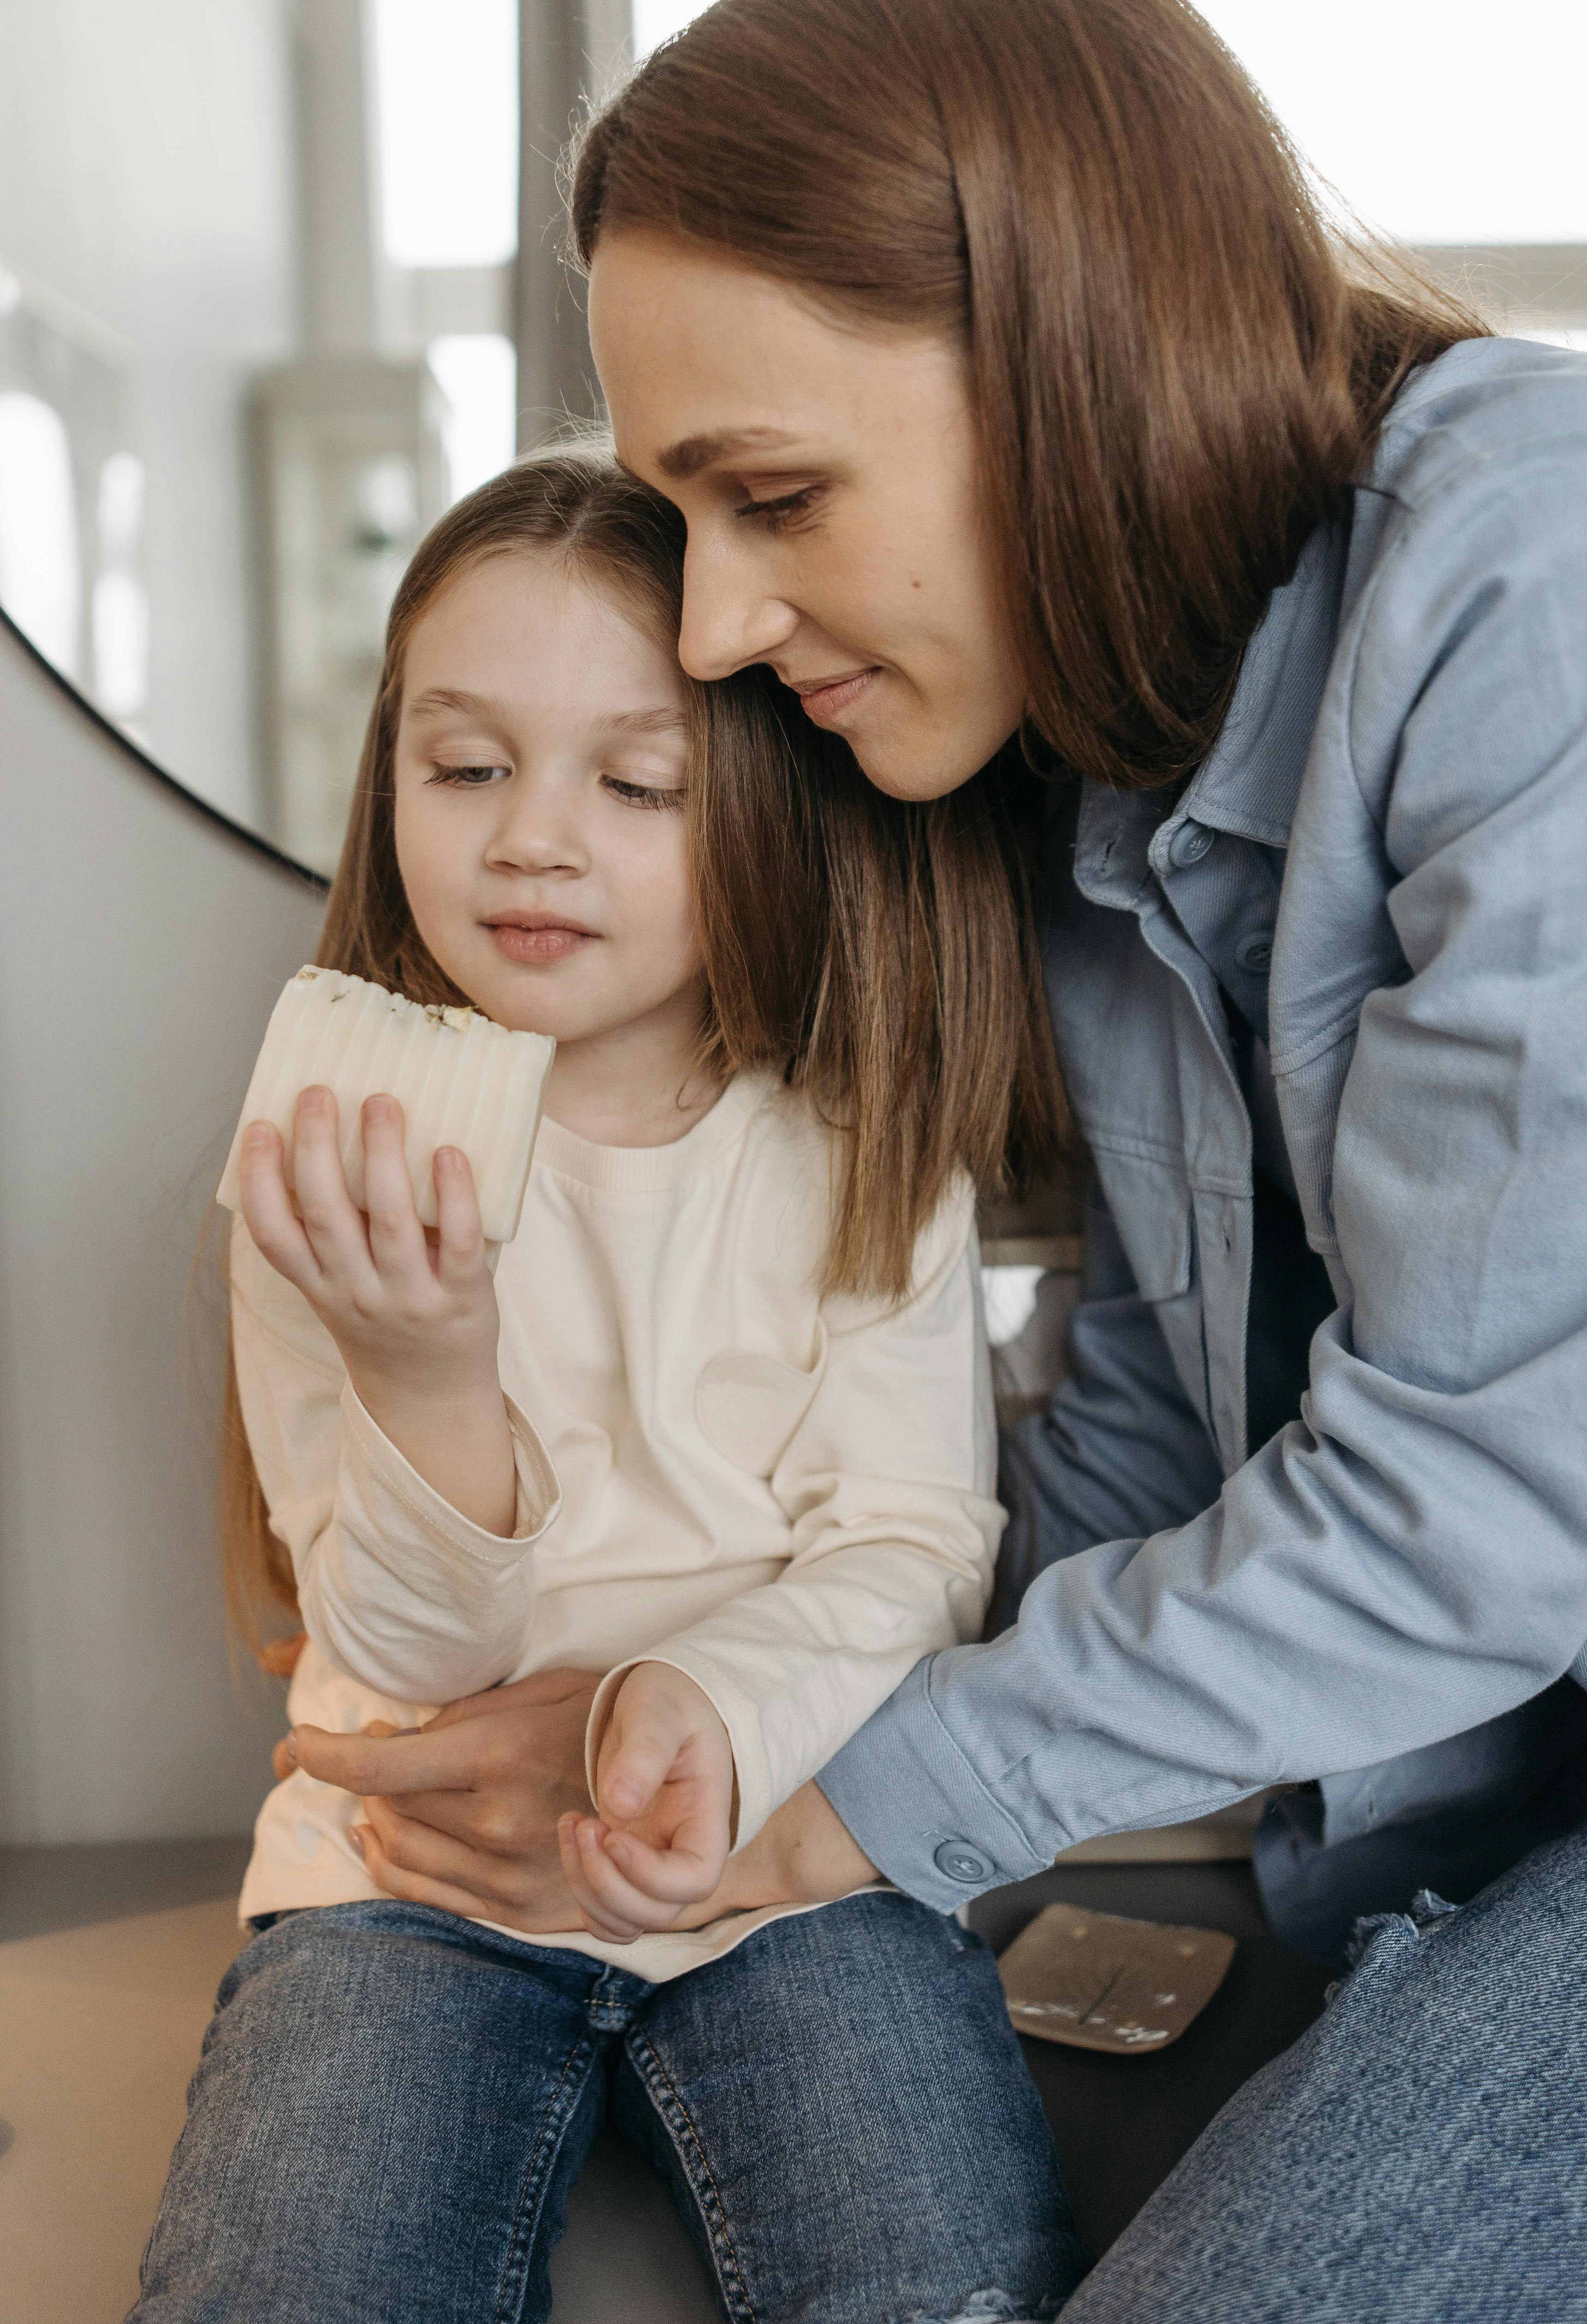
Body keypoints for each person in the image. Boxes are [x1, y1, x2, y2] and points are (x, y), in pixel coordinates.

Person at [300, 0, 1587, 2318]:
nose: (707, 628)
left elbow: (1469, 1505)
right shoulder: (1076, 812)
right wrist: (696, 1715)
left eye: (772, 499)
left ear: (1070, 364)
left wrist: (849, 1804)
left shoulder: (1550, 567)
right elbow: (1143, 1430)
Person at [131, 448, 1086, 2321]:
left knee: (940, 2281)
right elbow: (401, 1654)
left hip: (792, 1859)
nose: (531, 839)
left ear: (769, 807)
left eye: (634, 782)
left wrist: (707, 1709)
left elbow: (910, 1546)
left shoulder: (856, 1147)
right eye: (465, 764)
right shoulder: (335, 1162)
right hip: (406, 1867)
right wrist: (427, 1366)